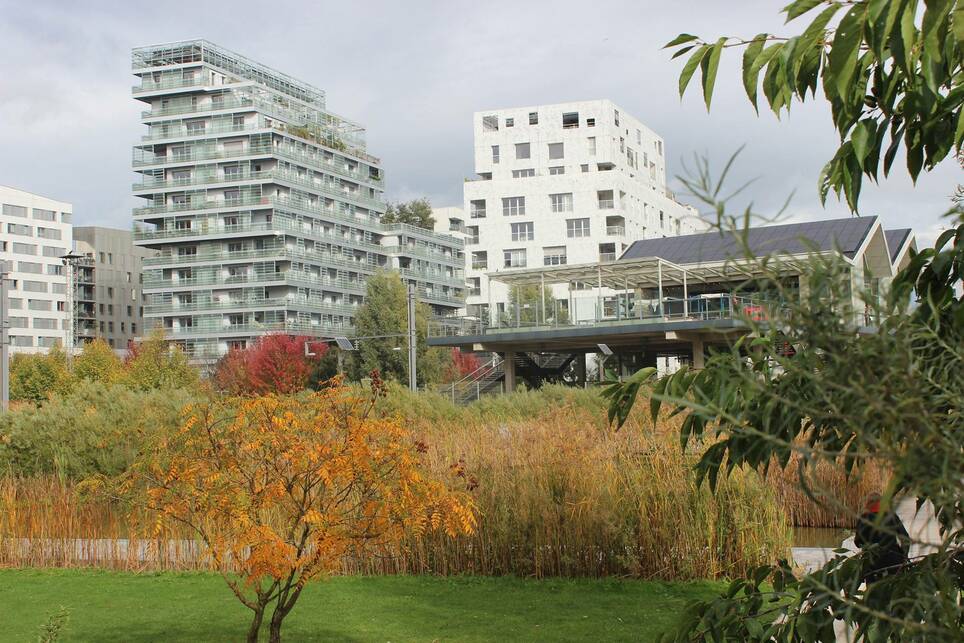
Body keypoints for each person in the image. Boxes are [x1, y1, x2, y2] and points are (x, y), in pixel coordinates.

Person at [854, 493, 910, 583]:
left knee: (872, 592)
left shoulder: (864, 518)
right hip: (894, 559)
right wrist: (904, 556)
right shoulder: (891, 516)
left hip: (872, 561)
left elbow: (857, 542)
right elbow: (905, 539)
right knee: (893, 590)